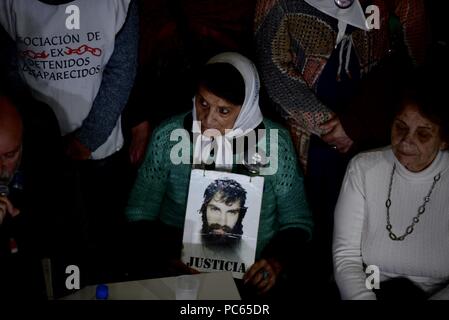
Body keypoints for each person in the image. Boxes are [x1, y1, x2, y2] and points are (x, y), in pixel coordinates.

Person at [254, 0, 429, 284]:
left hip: (371, 126)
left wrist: (356, 124)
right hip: (302, 136)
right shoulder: (278, 4)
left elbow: (414, 53)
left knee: (363, 220)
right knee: (305, 219)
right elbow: (273, 65)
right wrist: (324, 125)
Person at [126, 52, 313, 297]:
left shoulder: (274, 144)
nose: (207, 120)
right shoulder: (169, 137)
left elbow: (297, 221)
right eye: (203, 103)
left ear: (246, 108)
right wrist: (172, 255)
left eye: (223, 111)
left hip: (251, 276)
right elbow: (139, 213)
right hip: (180, 272)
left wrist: (274, 262)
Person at [0, 0, 139, 283]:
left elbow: (121, 71)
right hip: (32, 146)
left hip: (99, 150)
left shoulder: (118, 3)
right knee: (47, 241)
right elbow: (8, 67)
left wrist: (87, 139)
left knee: (97, 241)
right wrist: (37, 132)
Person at [333, 70, 449, 300]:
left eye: (423, 134)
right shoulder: (364, 168)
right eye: (400, 127)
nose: (406, 140)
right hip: (371, 292)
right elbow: (346, 257)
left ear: (444, 140)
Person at [200, 178, 247, 249]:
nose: (222, 222)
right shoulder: (188, 240)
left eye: (231, 212)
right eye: (215, 209)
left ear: (240, 215)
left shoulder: (248, 253)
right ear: (204, 209)